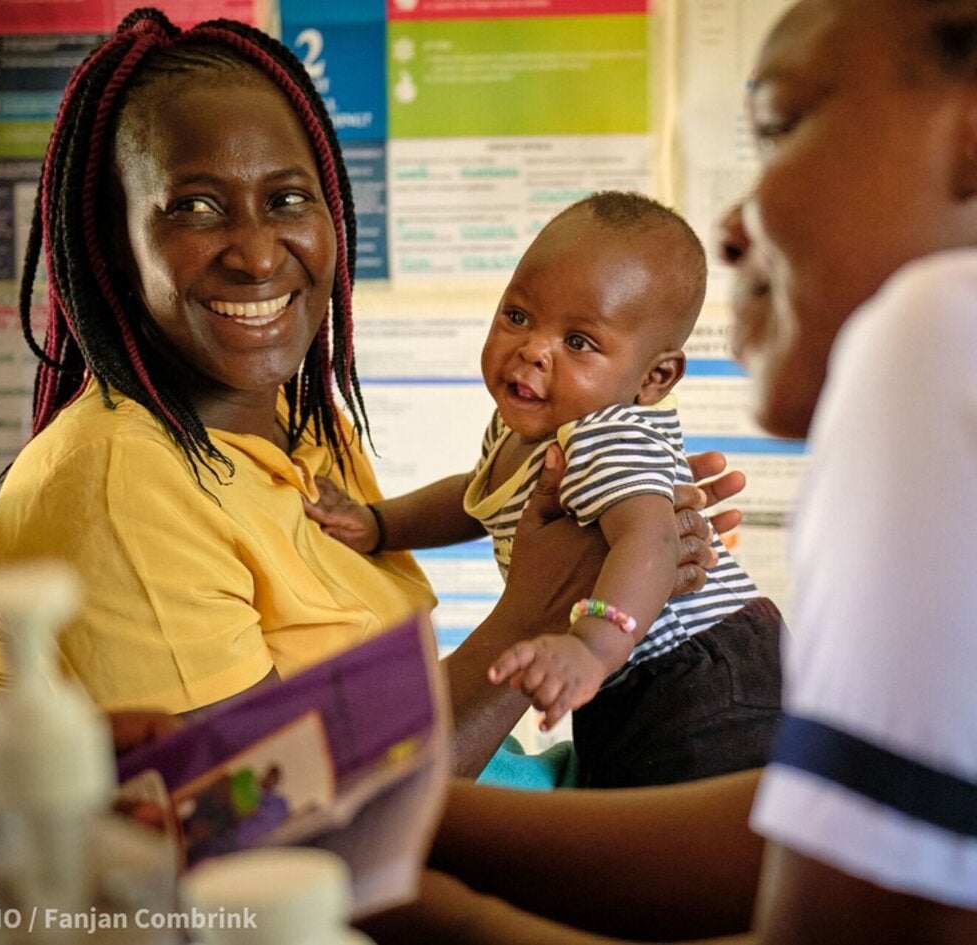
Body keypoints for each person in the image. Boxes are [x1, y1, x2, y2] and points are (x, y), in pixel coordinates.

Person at [364, 0, 977, 942]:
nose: (736, 225)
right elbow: (836, 840)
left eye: (780, 127)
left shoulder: (970, 330)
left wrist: (416, 907)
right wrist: (395, 818)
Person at [0, 7, 742, 780]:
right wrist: (538, 611)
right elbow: (263, 823)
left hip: (504, 785)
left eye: (289, 199)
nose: (260, 254)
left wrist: (646, 544)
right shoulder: (116, 481)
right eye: (194, 207)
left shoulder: (302, 428)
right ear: (113, 240)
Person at [305, 191, 782, 787]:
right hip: (626, 665)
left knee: (668, 848)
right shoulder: (520, 428)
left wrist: (589, 647)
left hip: (700, 676)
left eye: (578, 342)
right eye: (518, 316)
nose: (531, 350)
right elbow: (473, 499)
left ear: (655, 378)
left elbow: (654, 543)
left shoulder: (603, 436)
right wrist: (378, 523)